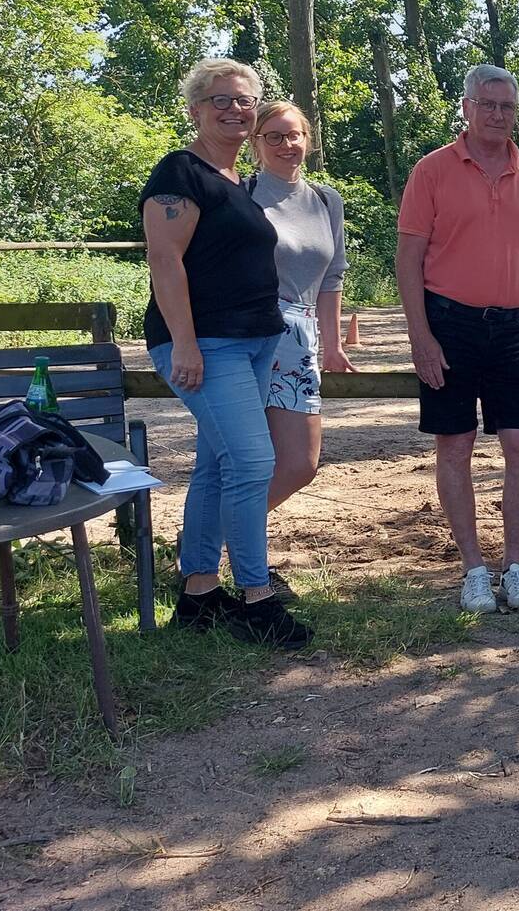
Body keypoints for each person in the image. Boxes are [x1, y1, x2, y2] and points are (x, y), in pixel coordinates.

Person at [141, 59, 312, 648]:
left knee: (217, 467)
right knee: (253, 462)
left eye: (243, 101)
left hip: (255, 341)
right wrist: (184, 341)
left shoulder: (235, 180)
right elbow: (164, 260)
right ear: (195, 109)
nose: (234, 109)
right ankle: (257, 600)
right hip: (207, 344)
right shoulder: (180, 173)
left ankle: (198, 595)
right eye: (220, 100)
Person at [396, 64, 519, 615]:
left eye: (507, 106)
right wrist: (420, 336)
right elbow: (408, 258)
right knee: (456, 445)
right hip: (449, 324)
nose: (497, 115)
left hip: (514, 326)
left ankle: (515, 566)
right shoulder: (432, 171)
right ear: (467, 107)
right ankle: (473, 569)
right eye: (487, 104)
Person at [249, 100, 354, 599]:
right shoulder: (241, 194)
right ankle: (246, 562)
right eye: (274, 136)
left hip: (301, 335)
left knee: (299, 462)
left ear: (308, 139)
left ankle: (216, 538)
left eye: (294, 135)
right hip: (249, 332)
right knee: (248, 459)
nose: (287, 145)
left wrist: (332, 345)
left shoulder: (326, 200)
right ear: (255, 143)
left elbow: (332, 277)